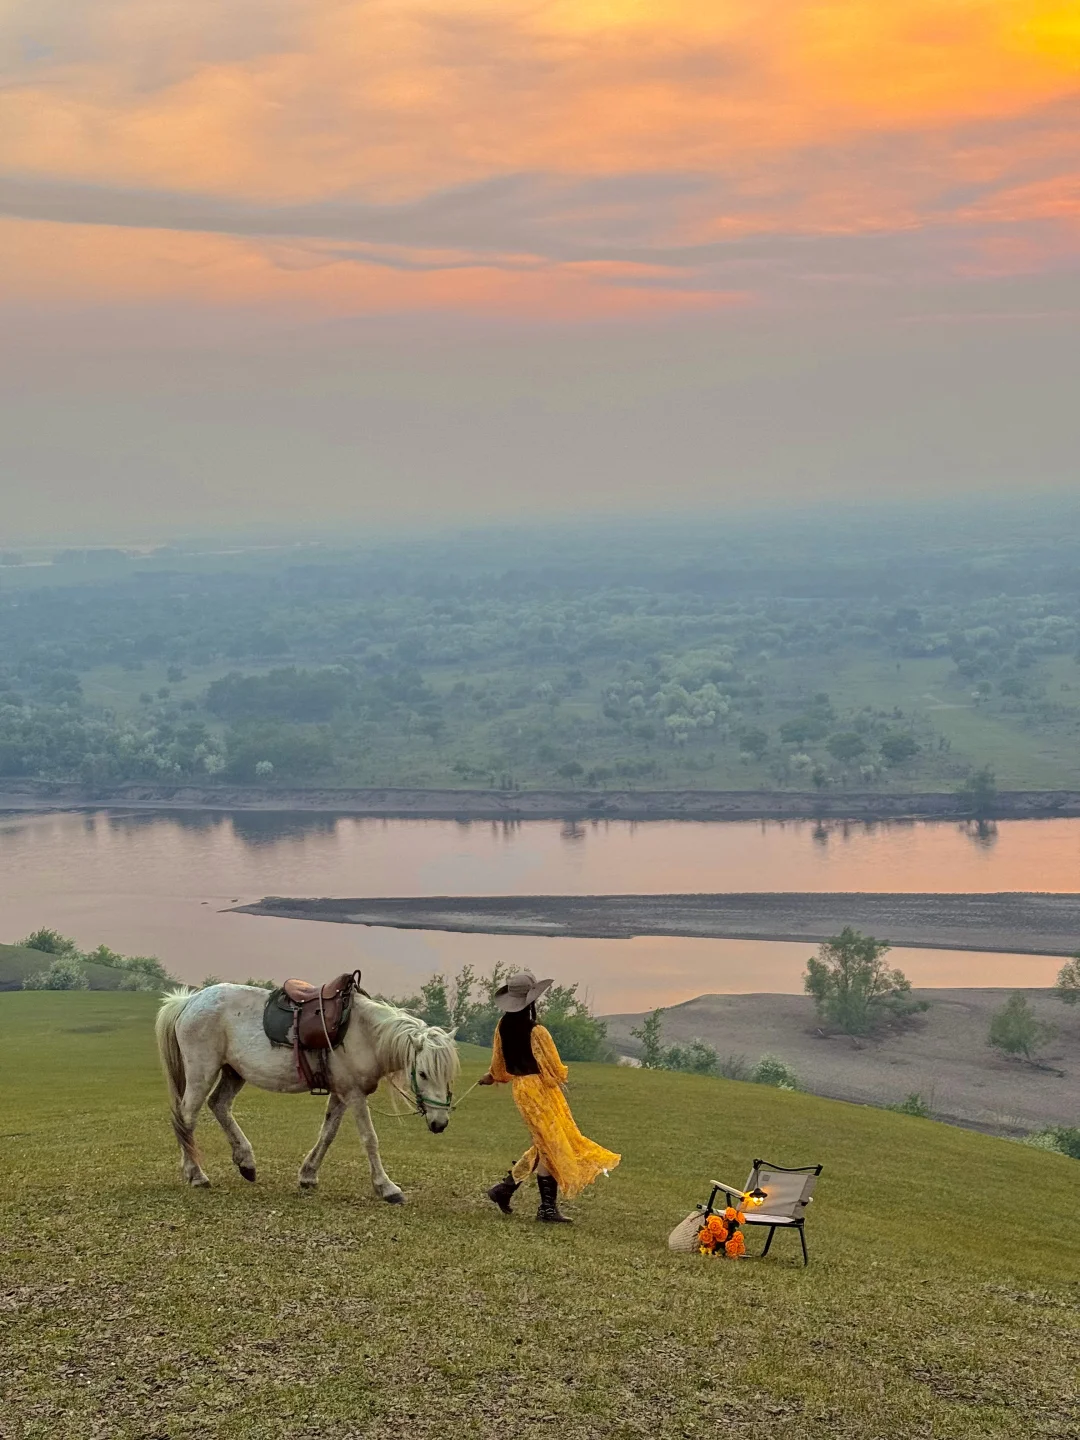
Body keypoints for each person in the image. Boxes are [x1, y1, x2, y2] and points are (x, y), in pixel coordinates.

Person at [479, 970, 620, 1223]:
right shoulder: (537, 1031)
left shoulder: (503, 1026)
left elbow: (499, 1067)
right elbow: (556, 1070)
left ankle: (505, 1189)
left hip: (521, 1090)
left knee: (547, 1143)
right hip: (541, 1092)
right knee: (552, 1145)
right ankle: (545, 1208)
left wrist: (491, 1077)